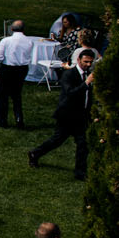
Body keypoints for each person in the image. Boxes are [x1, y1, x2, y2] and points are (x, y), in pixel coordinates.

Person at [29, 48, 96, 178]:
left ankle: (80, 172)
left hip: (81, 116)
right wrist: (87, 83)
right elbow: (71, 93)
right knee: (57, 140)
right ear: (78, 60)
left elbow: (88, 96)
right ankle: (35, 153)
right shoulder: (69, 75)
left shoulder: (88, 74)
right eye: (86, 62)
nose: (88, 65)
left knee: (83, 144)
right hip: (67, 115)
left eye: (90, 62)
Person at [0, 19, 34, 128]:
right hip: (22, 69)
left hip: (8, 69)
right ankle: (19, 119)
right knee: (17, 95)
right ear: (23, 29)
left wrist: (0, 62)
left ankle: (2, 121)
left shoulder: (6, 41)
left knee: (3, 95)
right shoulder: (29, 41)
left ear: (11, 29)